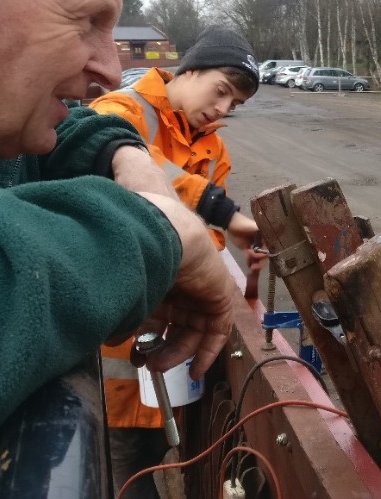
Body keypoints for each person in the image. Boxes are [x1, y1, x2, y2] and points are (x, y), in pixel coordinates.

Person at [0, 0, 247, 493]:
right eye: (87, 20)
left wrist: (124, 157)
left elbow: (58, 138)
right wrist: (163, 232)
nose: (110, 68)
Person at [88, 25, 265, 497]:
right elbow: (133, 163)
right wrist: (220, 211)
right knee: (120, 468)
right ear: (189, 70)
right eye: (221, 91)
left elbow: (208, 238)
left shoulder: (213, 148)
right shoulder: (121, 110)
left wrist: (223, 248)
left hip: (173, 349)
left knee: (162, 455)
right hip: (112, 347)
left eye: (235, 104)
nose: (223, 109)